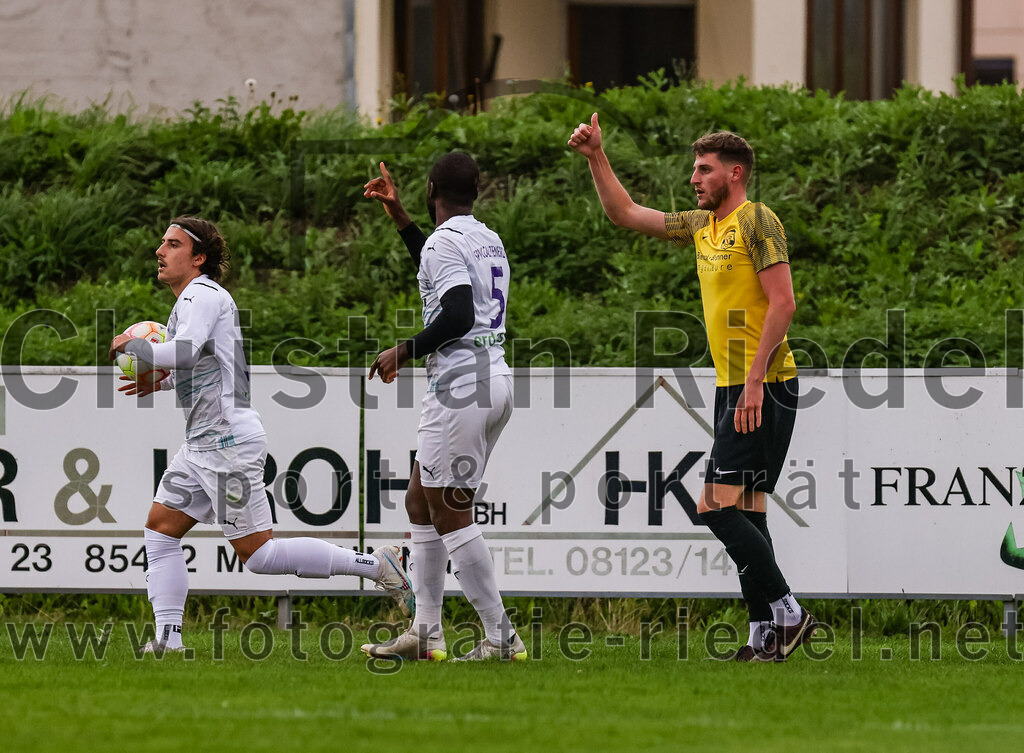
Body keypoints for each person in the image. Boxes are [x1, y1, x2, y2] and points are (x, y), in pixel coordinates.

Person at [568, 115, 816, 662]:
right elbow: (625, 213)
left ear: (736, 172)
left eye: (704, 170)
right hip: (736, 386)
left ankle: (791, 612)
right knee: (747, 511)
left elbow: (784, 303)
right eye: (694, 169)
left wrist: (754, 383)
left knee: (714, 508)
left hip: (764, 384)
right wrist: (596, 157)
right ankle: (763, 637)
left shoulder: (757, 220)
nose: (694, 179)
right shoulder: (702, 227)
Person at [110, 216, 413, 654]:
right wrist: (159, 381)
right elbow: (203, 366)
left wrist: (132, 346)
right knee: (160, 530)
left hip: (226, 445)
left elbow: (186, 352)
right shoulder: (195, 300)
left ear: (198, 259)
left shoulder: (201, 294)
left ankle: (377, 565)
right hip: (202, 446)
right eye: (161, 242)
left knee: (260, 556)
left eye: (172, 244)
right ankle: (168, 640)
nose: (160, 251)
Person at [359, 154, 527, 661]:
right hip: (492, 376)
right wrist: (403, 220)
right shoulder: (486, 237)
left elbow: (454, 312)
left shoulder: (443, 243)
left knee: (451, 511)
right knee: (420, 501)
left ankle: (501, 636)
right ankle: (425, 632)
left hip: (459, 386)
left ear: (431, 186)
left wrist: (403, 350)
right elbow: (444, 280)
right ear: (476, 190)